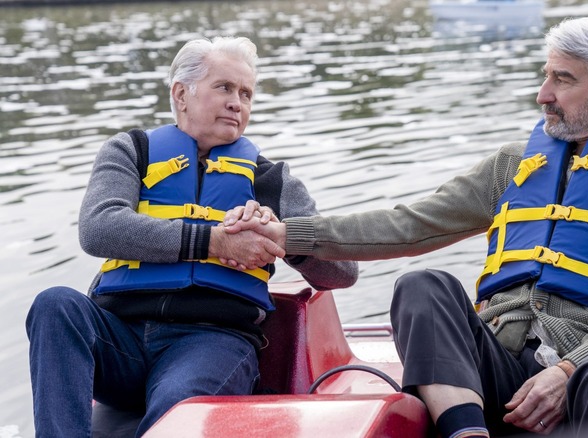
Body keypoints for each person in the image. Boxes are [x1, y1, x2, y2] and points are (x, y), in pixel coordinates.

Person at [222, 16, 588, 438]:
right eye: (546, 76)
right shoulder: (513, 165)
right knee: (422, 287)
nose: (543, 94)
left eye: (563, 80)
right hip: (507, 367)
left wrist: (568, 368)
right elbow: (409, 225)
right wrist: (288, 235)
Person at [25, 36, 358, 437]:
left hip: (212, 342)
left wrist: (282, 235)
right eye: (224, 88)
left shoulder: (269, 179)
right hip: (121, 340)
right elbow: (99, 228)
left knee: (172, 417)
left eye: (246, 93)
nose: (238, 102)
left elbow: (342, 271)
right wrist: (213, 241)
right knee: (54, 304)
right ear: (181, 94)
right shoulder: (131, 151)